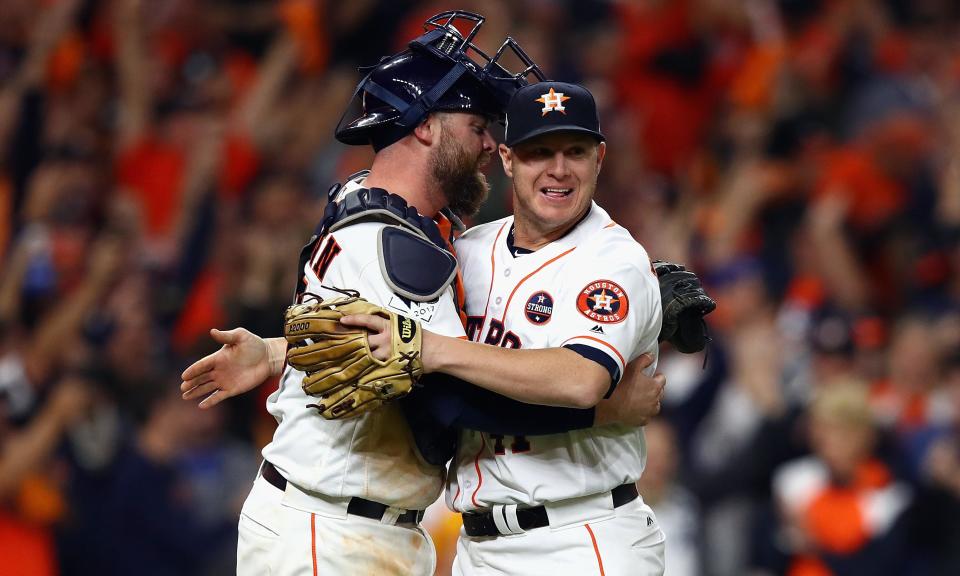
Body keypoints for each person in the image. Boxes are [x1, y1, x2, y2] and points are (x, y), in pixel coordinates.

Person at [180, 12, 666, 575]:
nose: (487, 142)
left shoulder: (374, 206)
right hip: (336, 531)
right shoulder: (399, 245)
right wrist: (603, 412)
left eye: (574, 152)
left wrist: (274, 352)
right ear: (425, 126)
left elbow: (364, 339)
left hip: (412, 531)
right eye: (476, 124)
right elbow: (444, 397)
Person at [347, 80, 668, 575]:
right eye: (539, 152)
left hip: (579, 537)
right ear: (507, 159)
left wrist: (434, 350)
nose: (558, 170)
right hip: (479, 545)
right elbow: (380, 336)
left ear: (599, 158)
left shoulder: (612, 259)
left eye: (575, 152)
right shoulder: (470, 249)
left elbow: (581, 381)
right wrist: (273, 352)